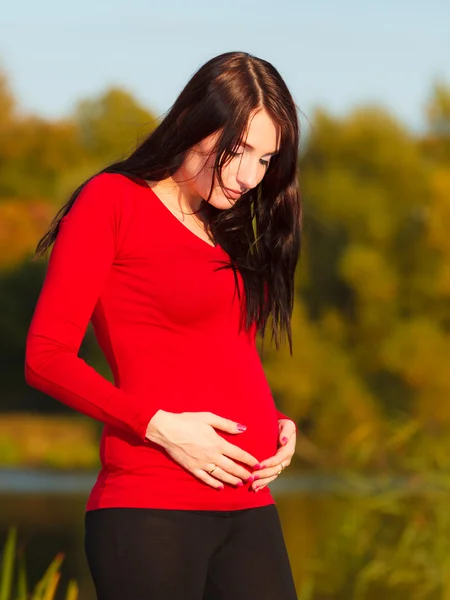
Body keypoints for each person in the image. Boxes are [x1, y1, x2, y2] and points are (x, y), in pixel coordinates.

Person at [25, 51, 301, 600]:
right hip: (151, 508)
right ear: (195, 124)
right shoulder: (113, 201)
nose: (250, 176)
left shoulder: (223, 225)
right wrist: (159, 426)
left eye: (266, 160)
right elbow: (45, 355)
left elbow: (223, 349)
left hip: (249, 504)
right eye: (238, 150)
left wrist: (274, 420)